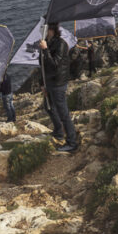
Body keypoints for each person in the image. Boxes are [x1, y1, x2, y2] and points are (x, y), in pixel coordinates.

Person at [39, 22, 78, 153]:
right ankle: (58, 132)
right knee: (48, 107)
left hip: (58, 83)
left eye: (45, 28)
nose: (42, 30)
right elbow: (42, 66)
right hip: (49, 82)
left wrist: (45, 50)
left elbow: (54, 64)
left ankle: (72, 142)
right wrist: (42, 84)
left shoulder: (60, 44)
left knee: (63, 113)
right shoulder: (46, 42)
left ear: (52, 29)